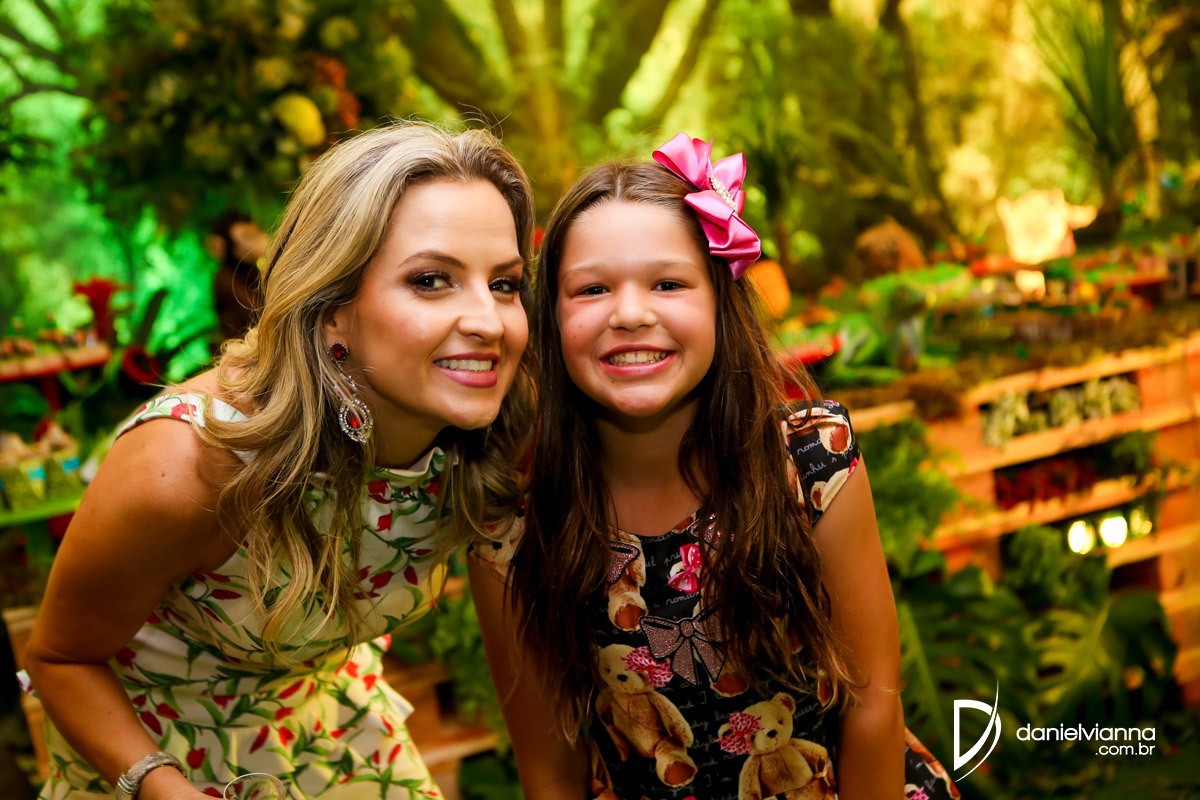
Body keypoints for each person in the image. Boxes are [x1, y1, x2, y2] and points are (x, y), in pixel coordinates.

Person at [24, 122, 536, 800]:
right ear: (331, 310)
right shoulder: (187, 465)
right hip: (150, 755)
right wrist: (161, 787)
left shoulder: (494, 435)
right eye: (431, 280)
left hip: (330, 733)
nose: (489, 321)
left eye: (504, 284)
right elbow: (60, 658)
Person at [470, 135, 958, 800]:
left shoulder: (813, 465)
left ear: (720, 304)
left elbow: (872, 703)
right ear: (549, 319)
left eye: (668, 283)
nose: (631, 313)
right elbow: (550, 773)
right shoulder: (513, 536)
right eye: (592, 289)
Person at [204, 210, 269, 342]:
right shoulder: (225, 278)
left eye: (257, 233)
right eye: (248, 236)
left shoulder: (254, 271)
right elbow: (257, 312)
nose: (259, 239)